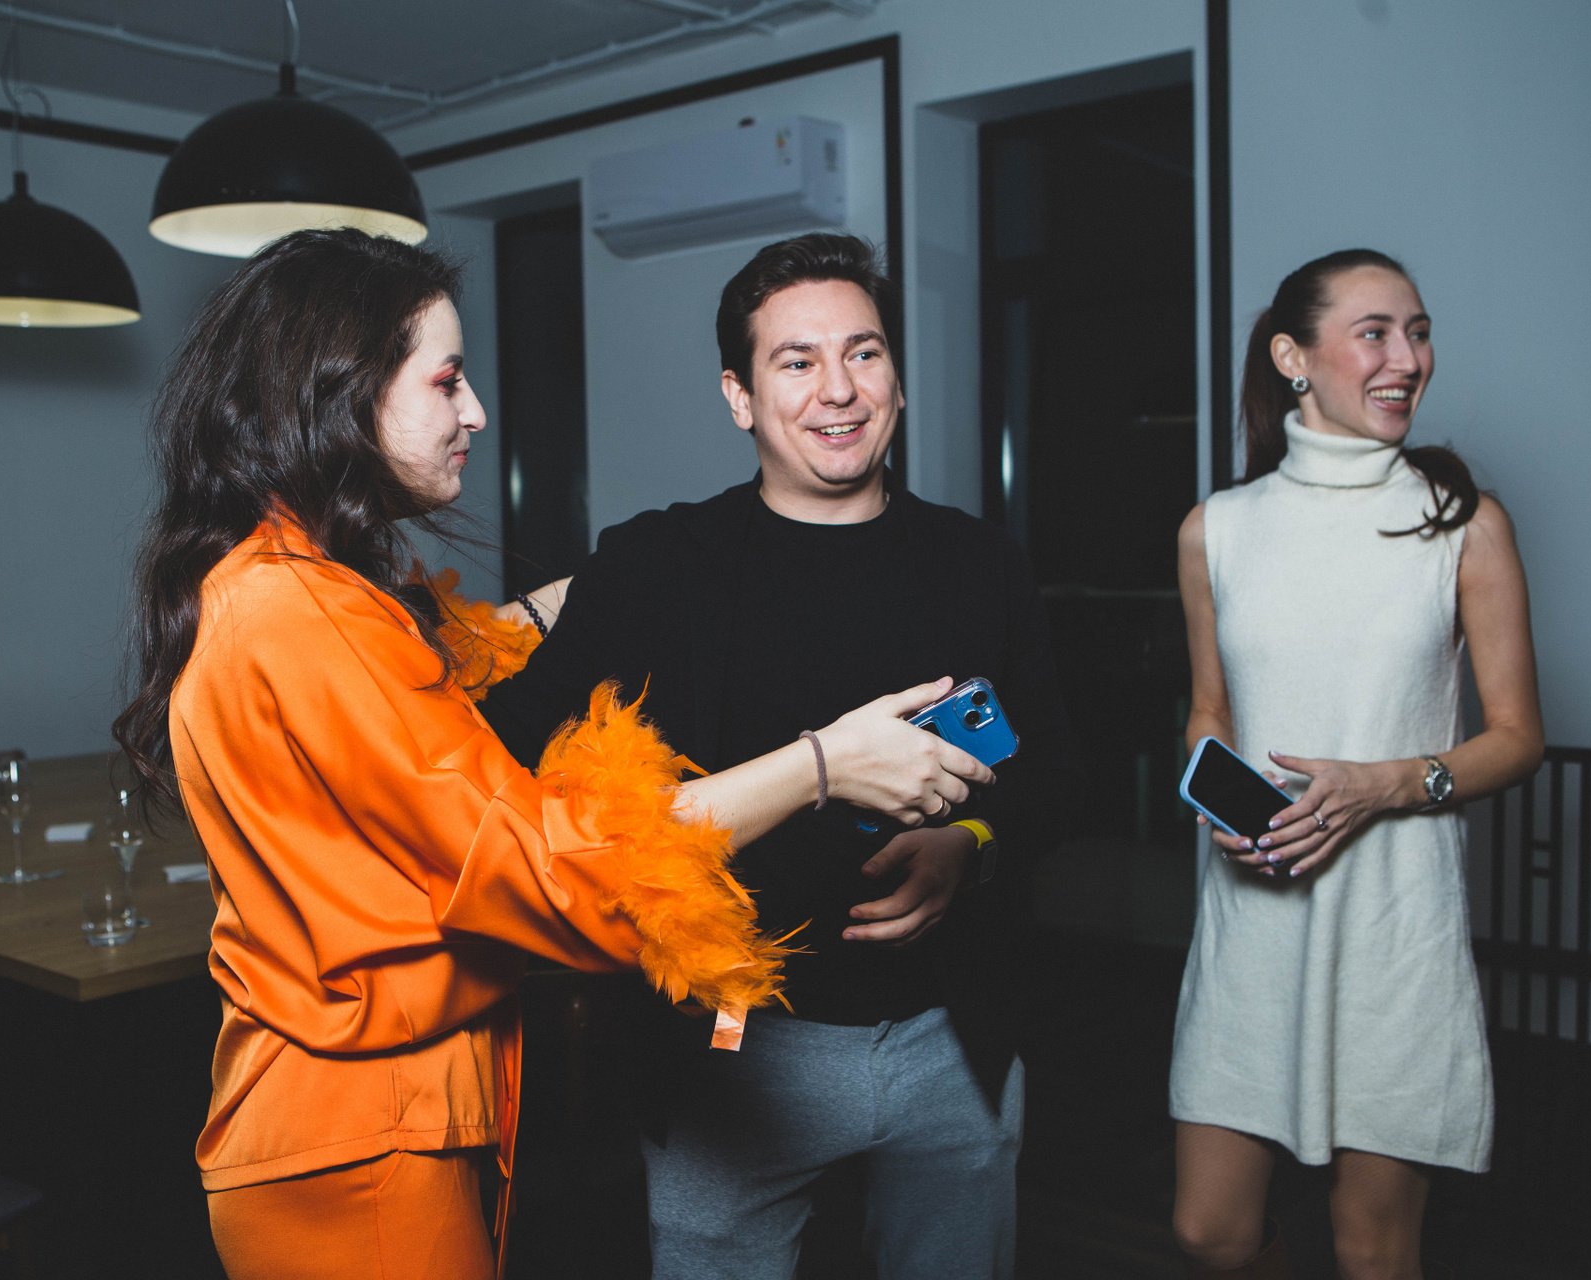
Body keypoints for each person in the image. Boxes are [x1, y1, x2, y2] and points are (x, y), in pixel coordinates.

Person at [110, 229, 996, 1280]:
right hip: (361, 1142)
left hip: (374, 1121)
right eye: (447, 380)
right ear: (341, 397)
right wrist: (821, 762)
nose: (476, 411)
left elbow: (427, 694)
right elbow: (548, 867)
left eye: (863, 353)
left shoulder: (293, 593)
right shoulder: (301, 618)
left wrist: (602, 588)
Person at [480, 233, 1080, 1280]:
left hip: (950, 1039)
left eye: (864, 353)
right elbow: (501, 755)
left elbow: (1060, 774)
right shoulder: (657, 562)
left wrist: (971, 844)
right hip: (732, 1055)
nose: (838, 389)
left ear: (896, 377)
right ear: (740, 397)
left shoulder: (981, 560)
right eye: (796, 361)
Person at [1168, 249, 1544, 1280]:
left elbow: (1518, 735)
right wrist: (1222, 796)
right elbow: (1209, 713)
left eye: (1417, 332)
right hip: (1254, 920)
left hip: (1395, 927)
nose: (1407, 358)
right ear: (1294, 357)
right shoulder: (1215, 530)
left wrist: (1383, 784)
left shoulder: (1463, 523)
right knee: (1211, 1231)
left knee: (1374, 1249)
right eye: (1374, 332)